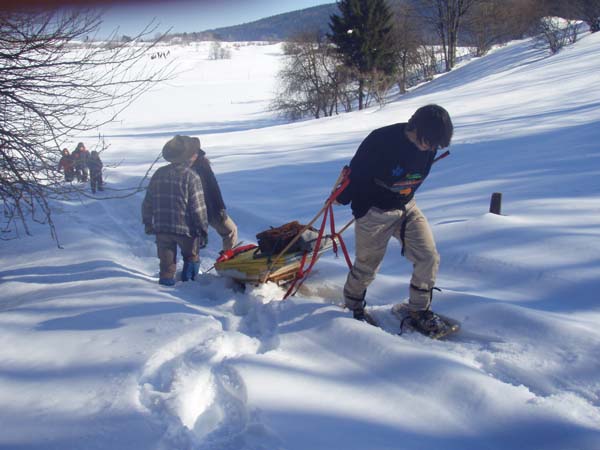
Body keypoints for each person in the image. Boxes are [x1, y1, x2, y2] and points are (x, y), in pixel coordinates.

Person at [336, 104, 454, 335]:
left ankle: (418, 310)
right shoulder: (381, 140)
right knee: (367, 267)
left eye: (435, 145)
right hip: (374, 210)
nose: (431, 149)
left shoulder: (429, 146)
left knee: (428, 257)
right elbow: (355, 175)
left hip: (406, 205)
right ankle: (353, 308)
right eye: (429, 142)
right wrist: (343, 197)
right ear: (416, 128)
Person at [142, 135, 208, 286]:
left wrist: (148, 222)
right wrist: (202, 230)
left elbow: (148, 202)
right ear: (189, 158)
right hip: (186, 229)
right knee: (191, 257)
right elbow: (198, 209)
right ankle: (189, 286)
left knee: (166, 263)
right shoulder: (192, 177)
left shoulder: (159, 174)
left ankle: (165, 289)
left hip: (162, 227)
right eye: (194, 154)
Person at [191, 141, 238, 252]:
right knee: (230, 231)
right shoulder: (201, 166)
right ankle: (228, 260)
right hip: (209, 209)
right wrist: (220, 209)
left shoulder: (193, 166)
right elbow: (212, 190)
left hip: (200, 209)